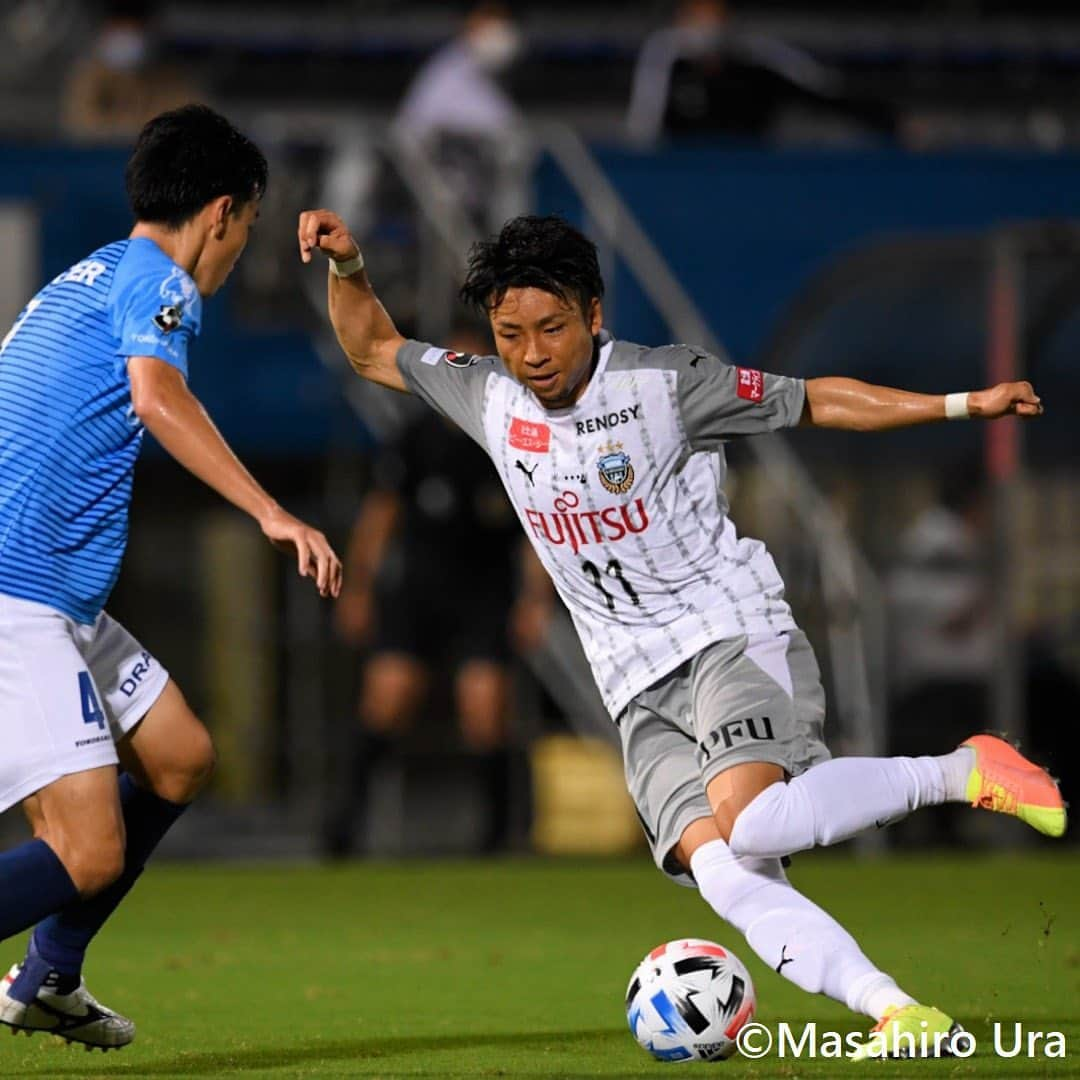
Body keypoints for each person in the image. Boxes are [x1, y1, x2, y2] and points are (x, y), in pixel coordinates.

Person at [297, 208, 1064, 1059]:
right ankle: (894, 1011)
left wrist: (962, 403)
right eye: (510, 334)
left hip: (724, 632)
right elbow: (372, 349)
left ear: (593, 314)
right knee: (726, 874)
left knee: (754, 823)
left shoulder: (666, 384)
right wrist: (350, 267)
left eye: (551, 328)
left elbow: (818, 404)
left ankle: (961, 771)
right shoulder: (489, 395)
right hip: (631, 683)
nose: (531, 353)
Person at [0, 105, 342, 1050]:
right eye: (248, 232)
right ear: (224, 213)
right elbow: (158, 397)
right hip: (16, 594)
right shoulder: (163, 285)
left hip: (55, 595)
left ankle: (49, 977)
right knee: (88, 848)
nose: (236, 257)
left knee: (181, 755)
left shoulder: (93, 273)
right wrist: (270, 509)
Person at [329, 327, 549, 855]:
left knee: (485, 711)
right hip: (418, 596)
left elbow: (536, 535)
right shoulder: (415, 439)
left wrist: (534, 601)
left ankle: (498, 839)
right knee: (385, 703)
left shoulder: (510, 443)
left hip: (485, 599)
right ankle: (341, 832)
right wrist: (358, 590)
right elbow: (379, 519)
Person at [626, 0, 898, 145]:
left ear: (726, 17)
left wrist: (889, 121)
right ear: (681, 17)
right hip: (686, 179)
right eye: (696, 13)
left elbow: (823, 89)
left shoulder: (758, 57)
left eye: (713, 13)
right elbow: (643, 125)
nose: (704, 25)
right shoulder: (664, 55)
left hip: (751, 176)